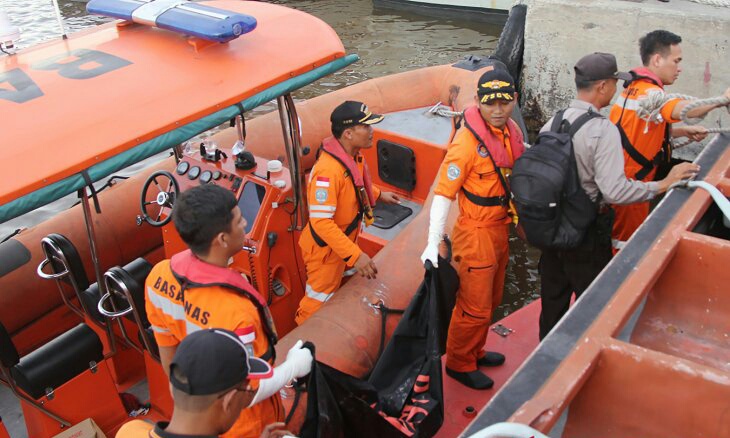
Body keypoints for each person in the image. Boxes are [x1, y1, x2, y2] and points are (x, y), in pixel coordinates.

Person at [537, 52, 700, 340]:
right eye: (615, 83)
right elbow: (616, 191)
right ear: (602, 87)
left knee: (553, 300)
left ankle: (545, 356)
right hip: (584, 233)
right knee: (594, 304)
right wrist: (664, 183)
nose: (618, 89)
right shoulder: (603, 130)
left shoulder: (554, 121)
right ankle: (582, 358)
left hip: (552, 229)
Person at [145, 185, 312, 438]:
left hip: (198, 411)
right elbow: (249, 391)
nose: (245, 222)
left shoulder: (158, 277)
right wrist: (293, 366)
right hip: (245, 425)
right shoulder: (237, 311)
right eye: (239, 220)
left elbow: (169, 356)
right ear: (222, 239)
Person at [420, 68, 525, 389]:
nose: (497, 110)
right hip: (475, 233)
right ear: (478, 102)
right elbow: (443, 195)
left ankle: (476, 350)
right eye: (490, 104)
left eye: (504, 103)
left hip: (499, 229)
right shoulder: (466, 143)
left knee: (492, 300)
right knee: (474, 306)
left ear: (514, 100)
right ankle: (459, 362)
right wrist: (432, 240)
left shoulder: (511, 132)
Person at [609, 30, 730, 250]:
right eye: (676, 61)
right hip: (634, 185)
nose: (679, 68)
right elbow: (687, 110)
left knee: (614, 235)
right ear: (657, 59)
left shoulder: (632, 89)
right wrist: (723, 100)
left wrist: (681, 132)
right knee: (623, 244)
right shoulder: (652, 95)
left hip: (618, 179)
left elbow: (635, 132)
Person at [295, 101, 401, 325]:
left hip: (344, 244)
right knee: (316, 301)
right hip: (326, 254)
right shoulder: (327, 172)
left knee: (341, 288)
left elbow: (354, 185)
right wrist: (356, 256)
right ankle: (304, 338)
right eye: (367, 127)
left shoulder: (351, 157)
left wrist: (379, 194)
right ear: (349, 133)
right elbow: (321, 223)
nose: (372, 132)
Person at [116, 328, 296, 438]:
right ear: (229, 401)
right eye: (247, 391)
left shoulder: (129, 430)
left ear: (172, 387)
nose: (249, 394)